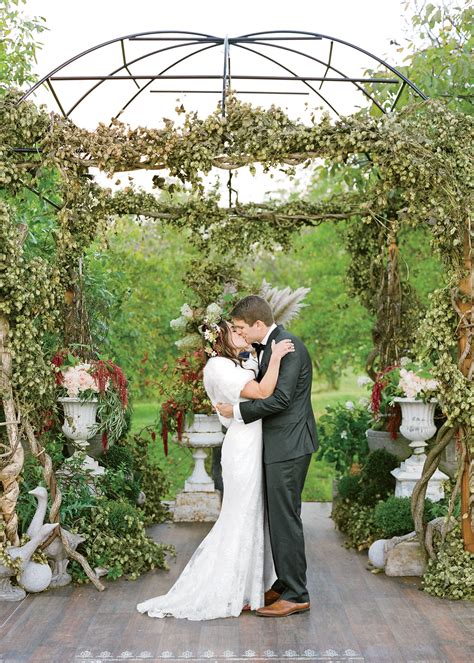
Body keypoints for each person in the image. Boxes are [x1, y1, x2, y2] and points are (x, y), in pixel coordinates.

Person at [136, 318, 295, 620]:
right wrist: (274, 358)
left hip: (255, 441)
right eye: (234, 331)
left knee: (254, 515)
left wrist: (259, 358)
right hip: (242, 446)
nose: (241, 333)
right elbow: (262, 392)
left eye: (241, 329)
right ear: (219, 339)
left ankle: (253, 587)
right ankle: (228, 588)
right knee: (240, 514)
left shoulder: (239, 362)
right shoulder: (218, 367)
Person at [216, 295, 318, 618]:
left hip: (289, 446)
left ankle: (297, 593)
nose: (239, 333)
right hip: (278, 444)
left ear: (259, 324)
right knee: (277, 516)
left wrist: (237, 411)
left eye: (242, 328)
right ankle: (285, 583)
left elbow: (281, 400)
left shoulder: (286, 346)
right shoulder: (268, 346)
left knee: (286, 517)